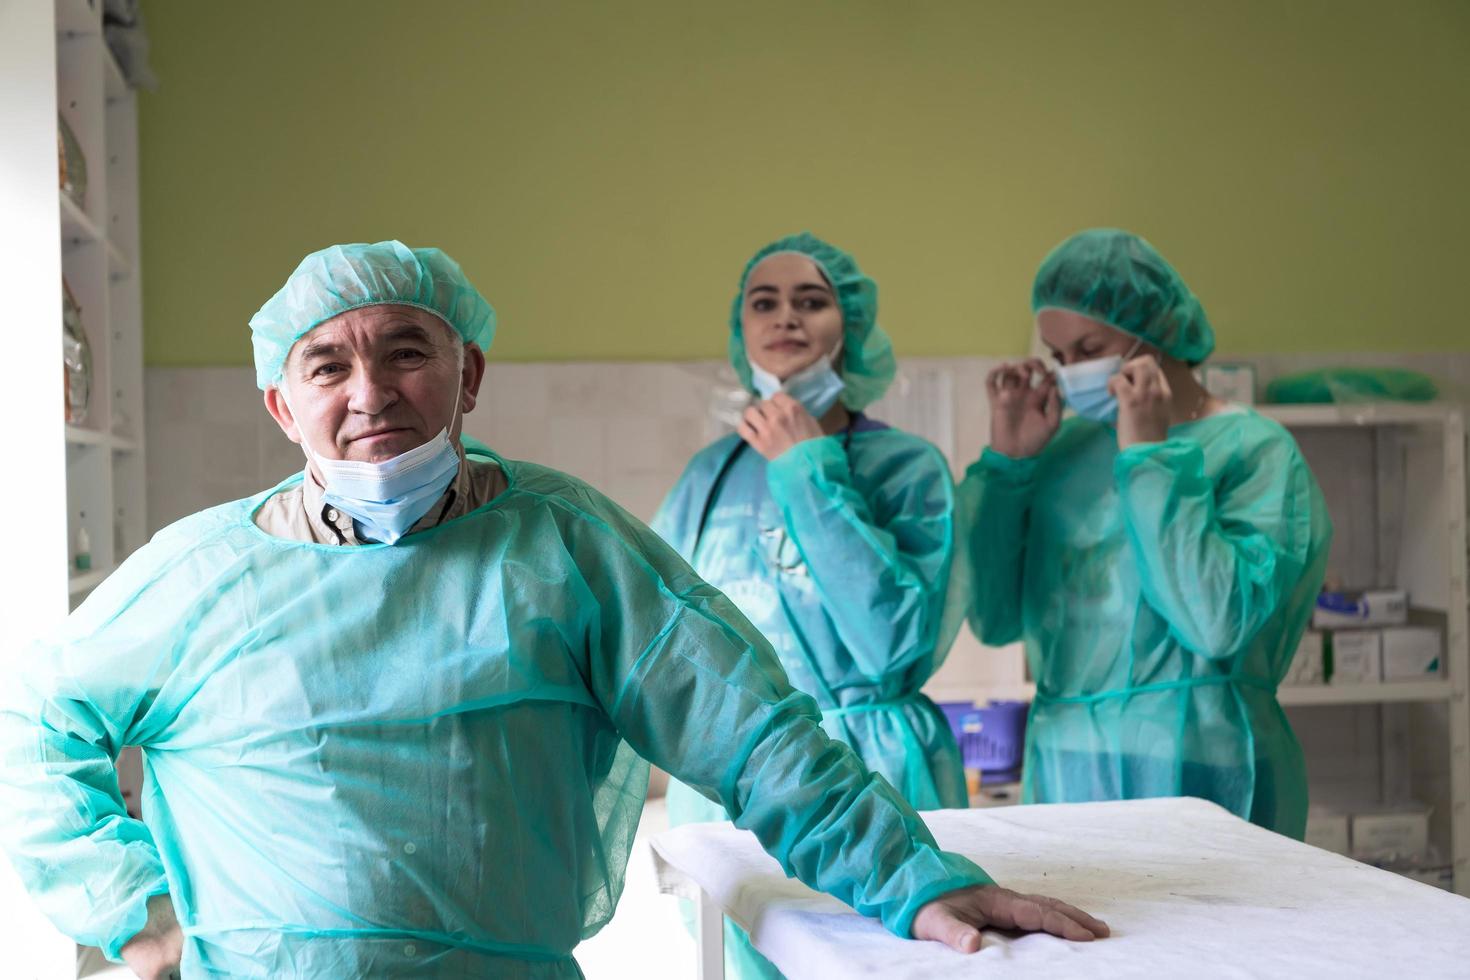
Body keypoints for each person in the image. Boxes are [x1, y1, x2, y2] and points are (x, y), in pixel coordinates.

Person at [0, 241, 1108, 979]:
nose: (370, 391)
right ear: (280, 402)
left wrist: (916, 878)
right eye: (328, 365)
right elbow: (32, 724)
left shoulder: (564, 542)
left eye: (406, 351)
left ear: (469, 372)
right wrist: (138, 917)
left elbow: (755, 728)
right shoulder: (198, 574)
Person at [653, 232, 969, 978]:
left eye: (812, 300)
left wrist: (807, 469)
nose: (786, 317)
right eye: (764, 302)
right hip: (731, 789)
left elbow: (894, 643)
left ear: (849, 327)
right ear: (742, 331)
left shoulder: (904, 468)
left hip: (876, 777)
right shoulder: (709, 475)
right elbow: (661, 636)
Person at [960, 228, 1332, 839]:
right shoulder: (1065, 453)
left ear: (1155, 332)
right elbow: (995, 619)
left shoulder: (1255, 452)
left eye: (1090, 347)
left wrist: (1149, 457)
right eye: (1059, 357)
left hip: (1206, 766)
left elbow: (1217, 621)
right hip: (1070, 767)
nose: (1074, 373)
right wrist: (1010, 467)